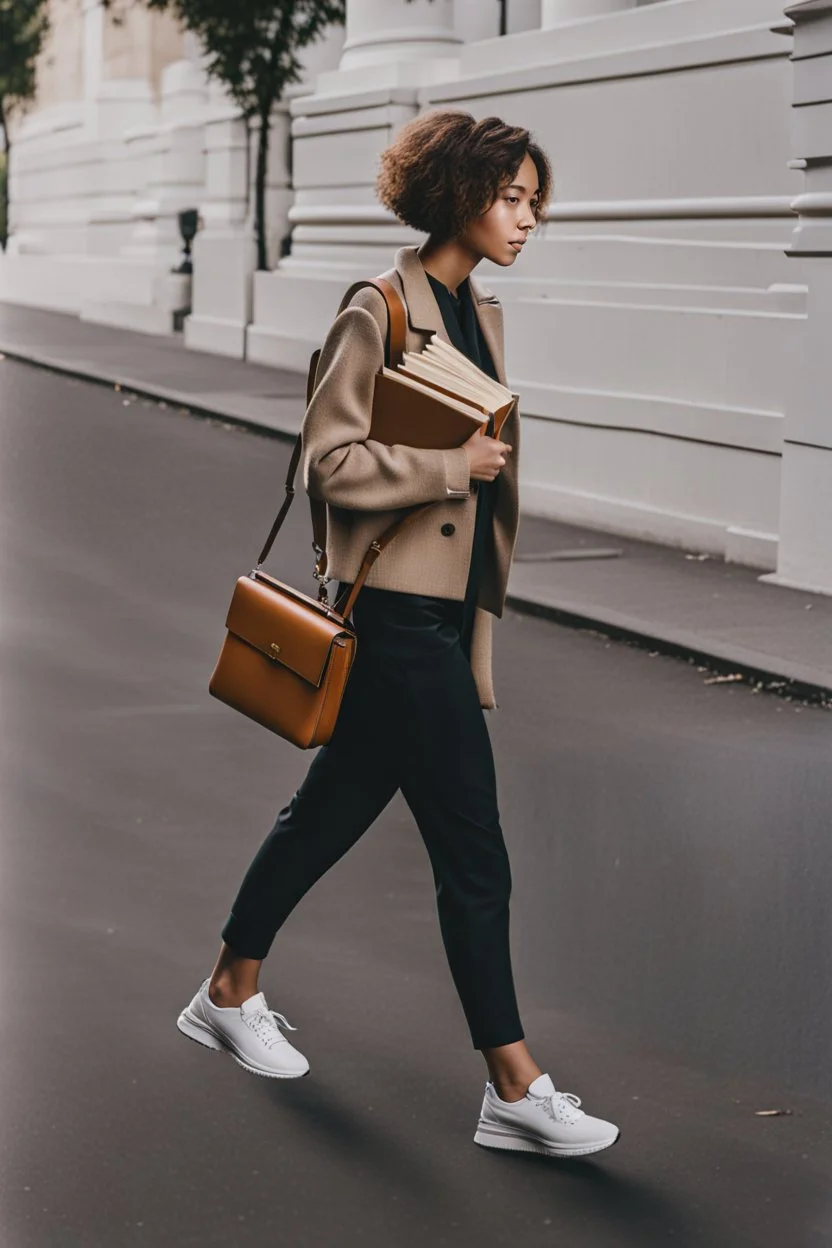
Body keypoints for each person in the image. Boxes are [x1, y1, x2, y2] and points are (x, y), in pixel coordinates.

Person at [178, 111, 620, 1159]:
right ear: (461, 193)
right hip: (392, 619)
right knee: (475, 850)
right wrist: (443, 470)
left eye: (533, 202)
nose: (527, 217)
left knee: (326, 815)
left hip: (441, 618)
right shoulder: (377, 311)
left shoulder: (479, 314)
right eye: (512, 197)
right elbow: (322, 465)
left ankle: (228, 989)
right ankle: (513, 1084)